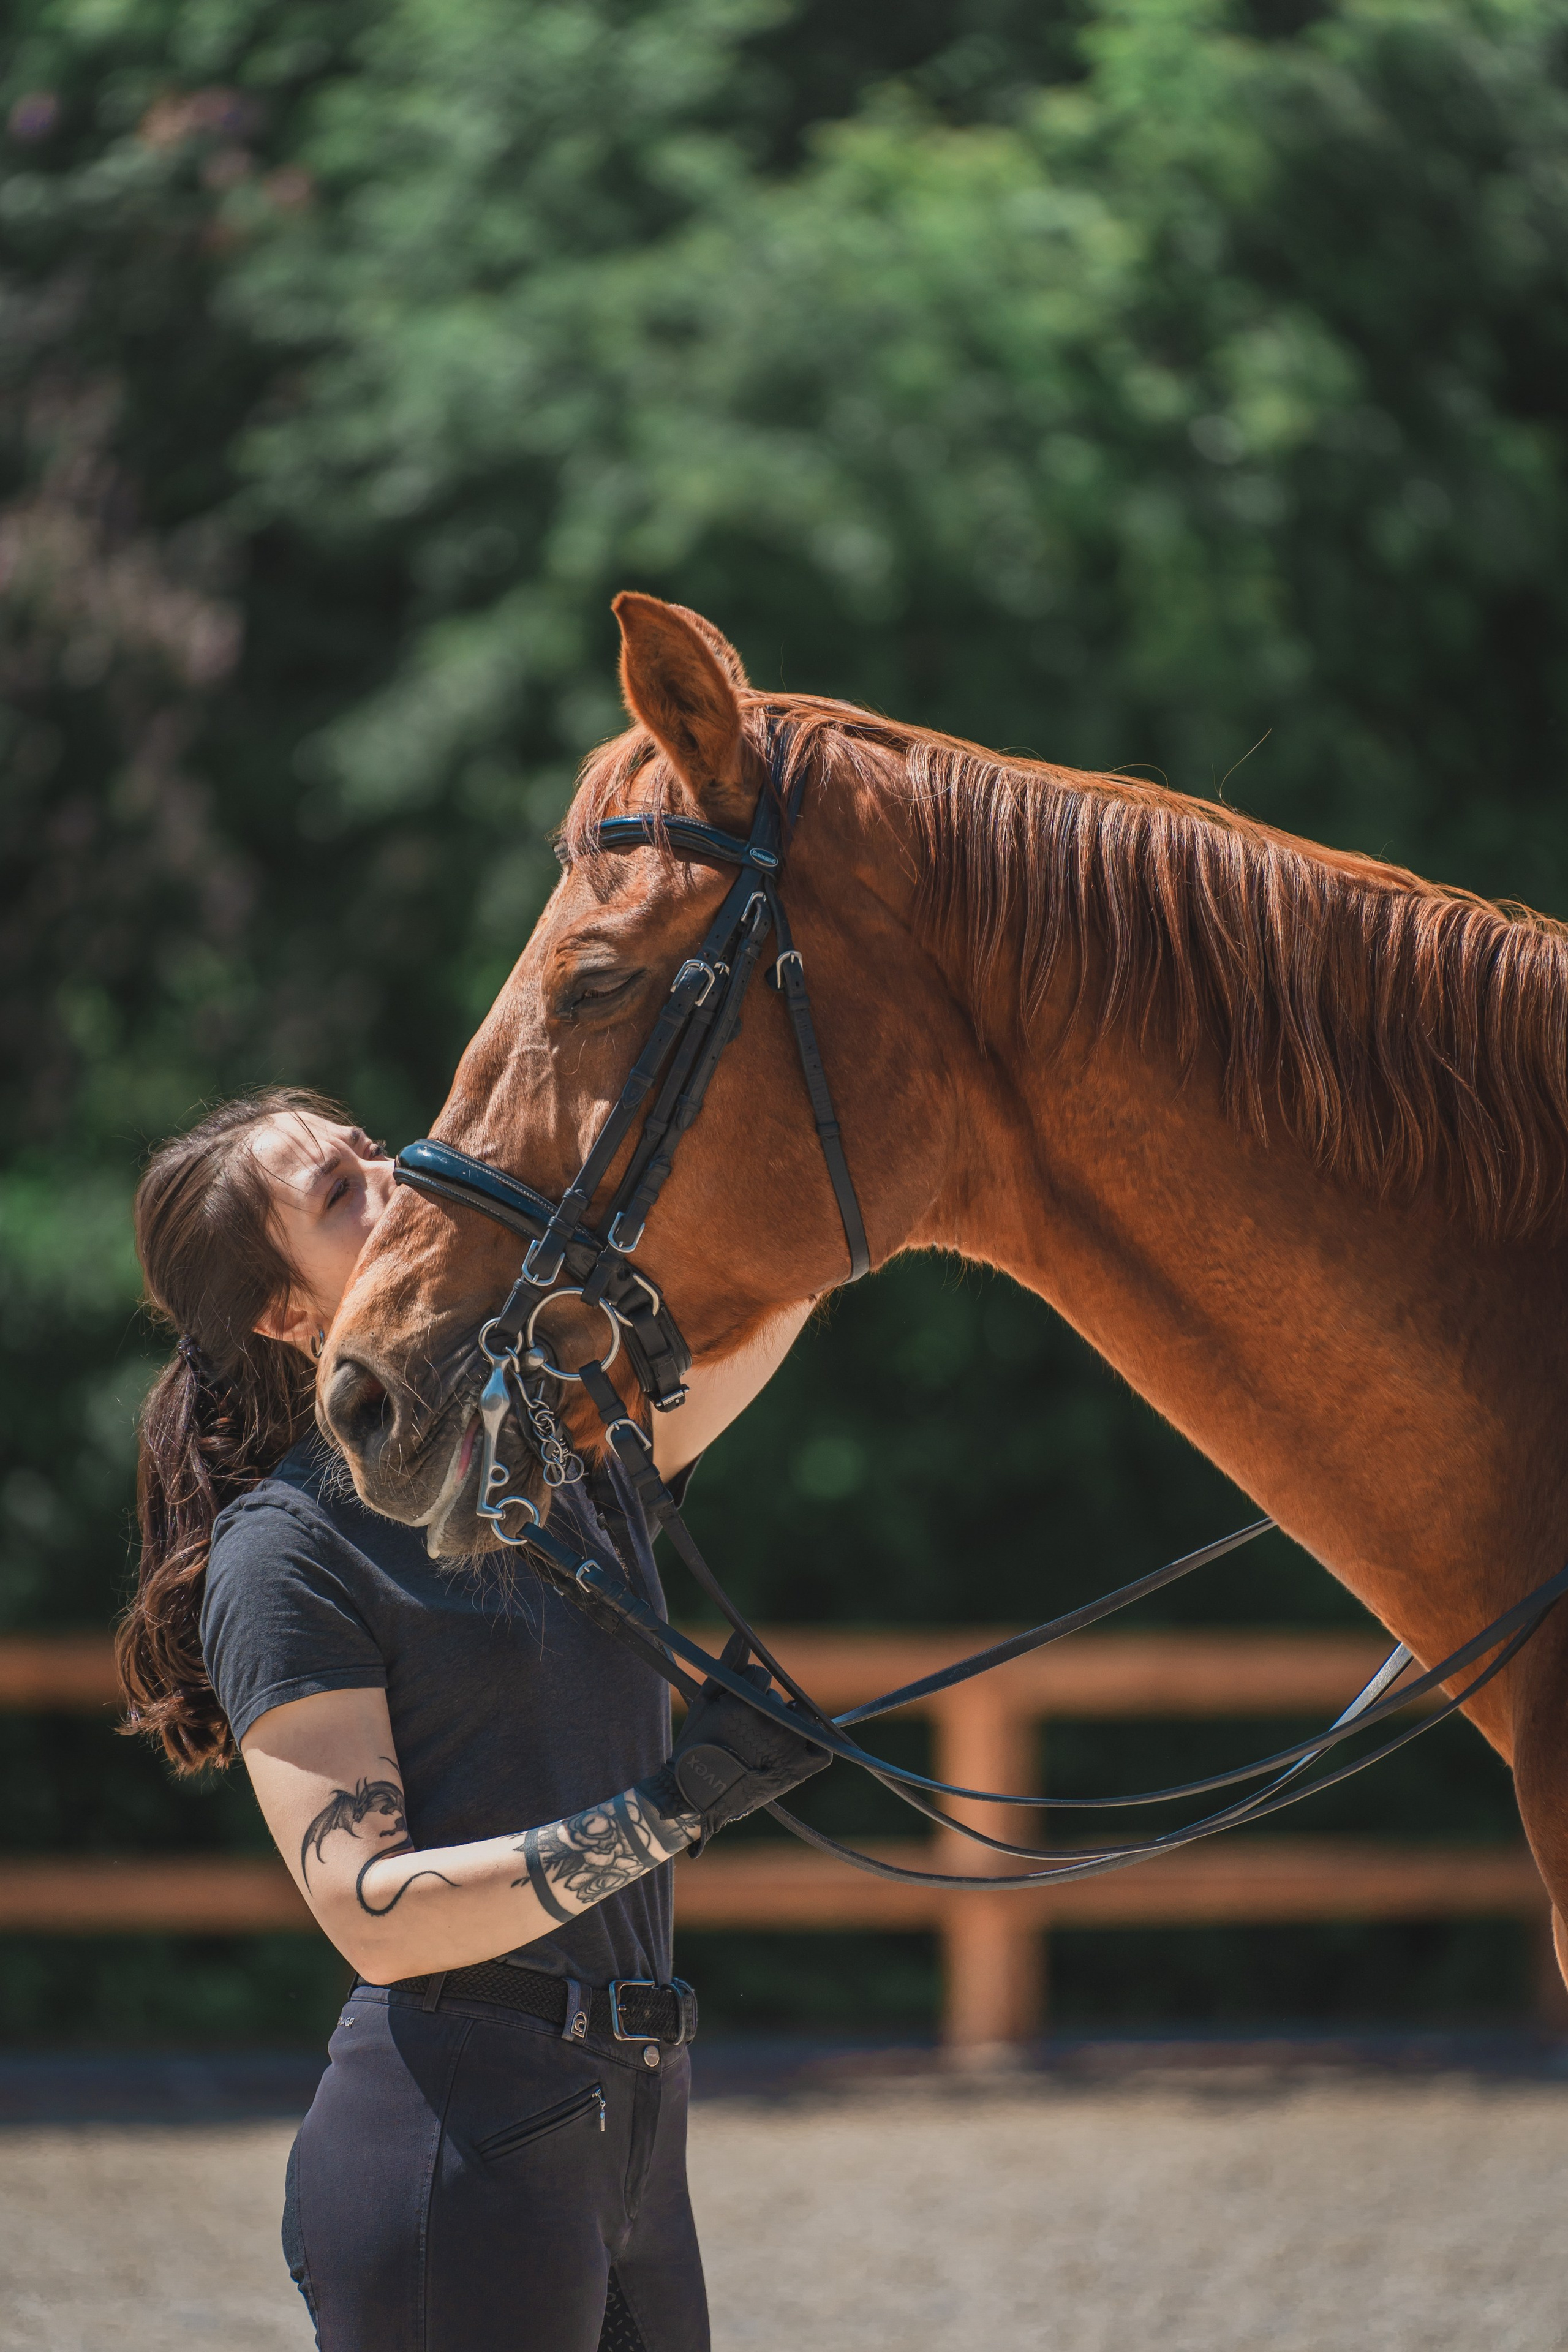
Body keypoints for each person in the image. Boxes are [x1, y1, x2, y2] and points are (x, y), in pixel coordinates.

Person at [118, 1087, 826, 2352]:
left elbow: (784, 1293)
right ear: (289, 1317)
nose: (395, 1176)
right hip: (452, 2143)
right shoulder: (285, 1553)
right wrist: (671, 1811)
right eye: (340, 1195)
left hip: (635, 2131)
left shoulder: (549, 1465)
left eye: (370, 1150)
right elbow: (370, 1911)